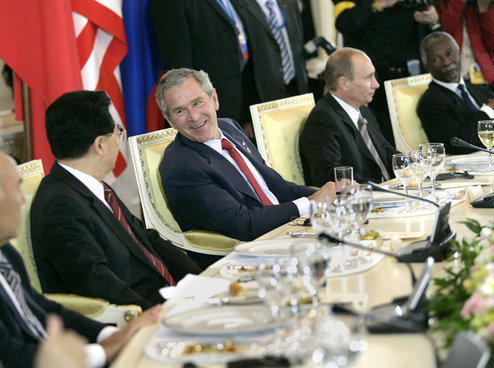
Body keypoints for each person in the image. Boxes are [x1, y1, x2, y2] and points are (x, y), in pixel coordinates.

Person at [30, 91, 201, 310]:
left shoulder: (93, 185)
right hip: (140, 316)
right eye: (118, 132)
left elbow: (147, 239)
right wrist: (158, 314)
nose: (120, 138)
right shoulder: (59, 207)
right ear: (99, 145)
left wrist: (200, 279)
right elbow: (97, 284)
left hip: (170, 296)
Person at [156, 68, 334, 269]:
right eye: (180, 111)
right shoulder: (182, 168)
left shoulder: (229, 127)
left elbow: (276, 186)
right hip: (246, 262)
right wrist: (310, 203)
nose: (194, 116)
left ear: (214, 98)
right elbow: (244, 224)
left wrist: (330, 194)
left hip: (289, 234)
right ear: (169, 120)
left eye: (197, 102)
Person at [0, 150, 161, 368]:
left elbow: (40, 306)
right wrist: (102, 352)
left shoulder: (5, 251)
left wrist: (110, 334)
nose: (22, 199)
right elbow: (9, 353)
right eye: (16, 188)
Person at [152, 0, 309, 140]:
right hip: (207, 116)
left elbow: (246, 56)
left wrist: (249, 113)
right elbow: (179, 68)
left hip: (240, 111)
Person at [332, 0, 441, 145]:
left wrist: (434, 21)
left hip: (410, 79)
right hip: (373, 83)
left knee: (416, 138)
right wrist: (379, 5)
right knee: (381, 140)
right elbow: (344, 23)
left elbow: (437, 38)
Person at [299, 48, 398, 186]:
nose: (376, 84)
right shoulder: (322, 119)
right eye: (368, 77)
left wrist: (415, 166)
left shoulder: (364, 110)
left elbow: (386, 151)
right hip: (364, 200)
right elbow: (328, 175)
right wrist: (382, 188)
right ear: (344, 83)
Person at [417, 32, 494, 154]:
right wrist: (490, 108)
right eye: (436, 59)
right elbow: (457, 143)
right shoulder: (430, 102)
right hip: (476, 168)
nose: (446, 62)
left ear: (459, 53)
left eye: (449, 53)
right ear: (426, 65)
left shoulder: (479, 89)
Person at [439, 0, 494, 87]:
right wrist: (459, 2)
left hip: (485, 76)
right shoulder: (443, 5)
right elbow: (442, 37)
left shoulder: (487, 6)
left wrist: (484, 9)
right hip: (455, 76)